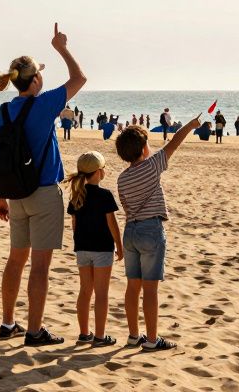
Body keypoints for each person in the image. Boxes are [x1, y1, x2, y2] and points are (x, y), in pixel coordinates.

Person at [0, 23, 86, 347]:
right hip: (42, 191)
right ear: (36, 80)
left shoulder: (5, 110)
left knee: (16, 259)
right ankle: (34, 330)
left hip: (15, 194)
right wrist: (62, 49)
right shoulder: (45, 103)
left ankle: (7, 322)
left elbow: (1, 154)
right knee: (40, 266)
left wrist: (1, 195)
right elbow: (79, 78)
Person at [115, 114, 200, 351]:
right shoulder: (152, 166)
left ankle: (134, 335)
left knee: (133, 286)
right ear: (143, 149)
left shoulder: (122, 178)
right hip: (150, 229)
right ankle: (152, 340)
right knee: (150, 289)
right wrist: (192, 125)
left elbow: (126, 205)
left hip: (130, 231)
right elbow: (175, 142)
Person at [67, 151, 122, 346]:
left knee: (85, 290)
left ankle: (84, 334)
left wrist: (79, 241)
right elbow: (112, 224)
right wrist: (120, 247)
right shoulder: (105, 195)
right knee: (101, 293)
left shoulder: (76, 195)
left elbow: (74, 224)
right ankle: (99, 336)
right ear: (99, 172)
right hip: (102, 248)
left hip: (82, 248)